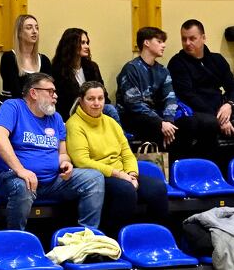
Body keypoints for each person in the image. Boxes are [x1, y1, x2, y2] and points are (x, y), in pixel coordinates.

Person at [0, 72, 106, 232]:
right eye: (50, 91)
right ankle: (16, 239)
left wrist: (65, 163)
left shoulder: (56, 118)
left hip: (50, 182)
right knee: (23, 186)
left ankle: (86, 236)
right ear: (33, 93)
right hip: (9, 178)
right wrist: (21, 170)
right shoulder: (13, 107)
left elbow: (62, 153)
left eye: (55, 92)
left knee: (94, 178)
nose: (55, 96)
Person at [66, 82, 168, 236]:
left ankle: (154, 237)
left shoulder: (111, 122)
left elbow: (127, 153)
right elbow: (82, 161)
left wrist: (132, 174)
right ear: (81, 101)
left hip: (123, 174)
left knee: (158, 187)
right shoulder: (74, 125)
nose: (96, 103)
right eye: (91, 99)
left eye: (100, 98)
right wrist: (120, 175)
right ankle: (114, 238)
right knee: (126, 190)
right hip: (99, 176)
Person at [167, 19, 234, 153]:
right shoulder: (177, 63)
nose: (187, 43)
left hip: (222, 106)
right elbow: (188, 96)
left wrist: (229, 105)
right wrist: (219, 118)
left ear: (203, 38)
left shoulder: (217, 59)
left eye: (192, 38)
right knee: (211, 123)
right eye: (184, 39)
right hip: (198, 110)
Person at [116, 27, 202, 153]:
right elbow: (133, 104)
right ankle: (161, 162)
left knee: (188, 123)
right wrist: (160, 123)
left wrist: (168, 121)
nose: (164, 45)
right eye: (159, 41)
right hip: (135, 116)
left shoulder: (163, 71)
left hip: (157, 115)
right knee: (155, 127)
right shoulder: (131, 69)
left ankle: (177, 162)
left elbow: (170, 98)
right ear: (146, 43)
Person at [52, 27, 112, 122]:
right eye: (82, 43)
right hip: (72, 113)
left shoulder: (92, 67)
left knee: (110, 109)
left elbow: (103, 93)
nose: (87, 46)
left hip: (95, 108)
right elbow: (62, 103)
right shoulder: (58, 70)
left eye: (87, 43)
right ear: (71, 45)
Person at [0, 14, 52, 100]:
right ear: (19, 33)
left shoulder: (44, 60)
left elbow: (49, 89)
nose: (34, 31)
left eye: (37, 28)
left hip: (38, 105)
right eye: (29, 28)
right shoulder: (9, 58)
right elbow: (15, 91)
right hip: (14, 105)